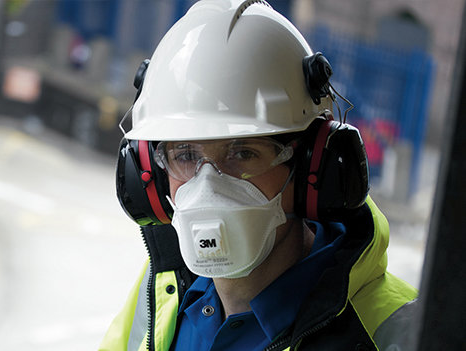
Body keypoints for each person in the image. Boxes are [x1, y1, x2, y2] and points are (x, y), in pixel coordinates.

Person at [100, 1, 418, 350]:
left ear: (313, 171)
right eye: (186, 155)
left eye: (242, 153)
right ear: (151, 175)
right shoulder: (159, 295)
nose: (209, 186)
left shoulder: (397, 335)